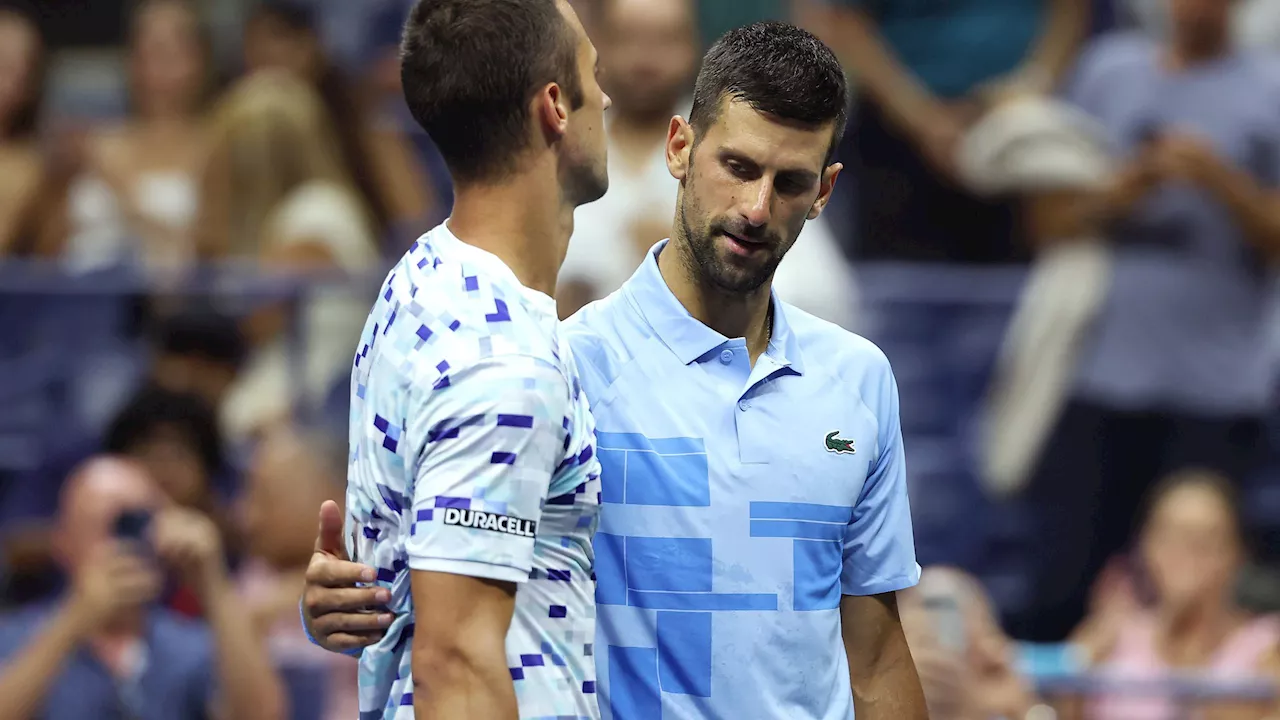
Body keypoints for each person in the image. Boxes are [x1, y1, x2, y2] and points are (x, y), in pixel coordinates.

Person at [303, 20, 927, 720]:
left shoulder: (860, 380)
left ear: (825, 192)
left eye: (790, 182)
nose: (756, 209)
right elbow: (453, 589)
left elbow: (874, 656)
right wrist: (353, 600)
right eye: (739, 168)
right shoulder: (563, 368)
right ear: (680, 148)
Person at [323, 0, 610, 717]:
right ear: (556, 107)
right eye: (591, 74)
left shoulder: (417, 281)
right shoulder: (501, 363)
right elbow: (455, 661)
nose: (604, 96)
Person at [1008, 0, 1280, 642]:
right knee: (1065, 586)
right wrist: (1130, 186)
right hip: (1098, 374)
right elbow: (1046, 220)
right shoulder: (1108, 72)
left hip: (1217, 389)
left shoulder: (1269, 87)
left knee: (1197, 594)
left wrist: (1219, 179)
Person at [559, 0, 857, 328]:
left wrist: (694, 262)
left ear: (693, 45)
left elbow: (827, 300)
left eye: (665, 40)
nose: (645, 59)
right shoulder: (561, 149)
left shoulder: (763, 144)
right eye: (628, 37)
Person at [0, 456, 285, 720]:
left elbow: (261, 715)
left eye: (136, 524)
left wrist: (213, 582)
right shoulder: (15, 638)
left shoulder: (190, 645)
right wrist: (73, 622)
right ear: (63, 543)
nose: (124, 545)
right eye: (110, 526)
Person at [1067, 470, 1279, 720]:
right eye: (1170, 535)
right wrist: (1079, 664)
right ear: (1144, 546)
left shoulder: (1268, 649)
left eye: (1203, 540)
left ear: (1238, 553)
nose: (1184, 555)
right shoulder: (1102, 642)